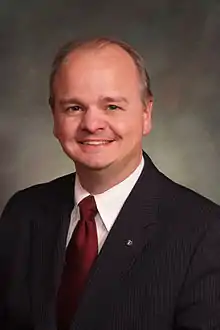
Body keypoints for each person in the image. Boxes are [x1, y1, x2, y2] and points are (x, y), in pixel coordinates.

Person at [0, 37, 220, 330]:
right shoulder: (23, 213)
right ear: (54, 118)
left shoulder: (205, 232)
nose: (92, 124)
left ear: (146, 113)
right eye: (74, 108)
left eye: (112, 106)